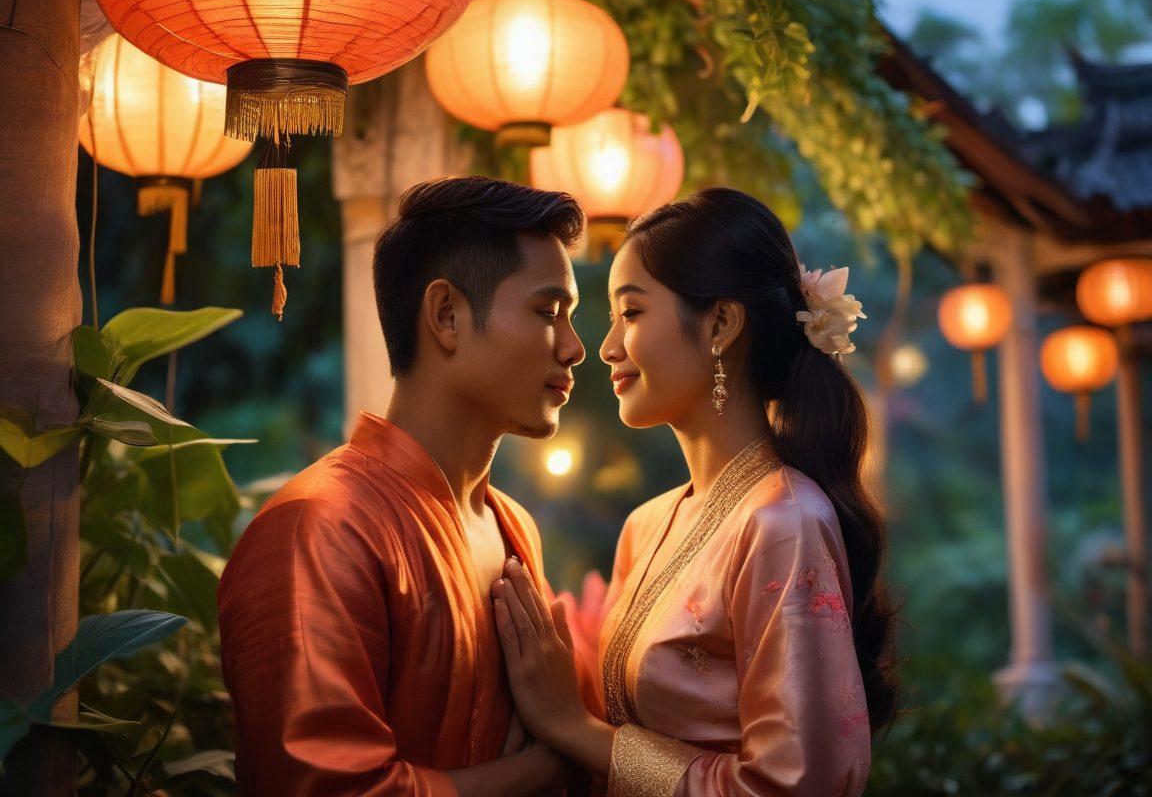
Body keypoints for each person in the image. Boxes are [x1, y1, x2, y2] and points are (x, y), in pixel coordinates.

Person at [489, 188, 898, 797]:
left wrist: (573, 727)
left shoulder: (785, 521)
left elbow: (794, 785)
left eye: (631, 313)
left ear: (720, 325)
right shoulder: (646, 524)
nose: (606, 348)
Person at [218, 176, 588, 796]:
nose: (574, 347)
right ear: (447, 315)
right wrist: (549, 765)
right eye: (548, 312)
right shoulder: (319, 528)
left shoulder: (513, 526)